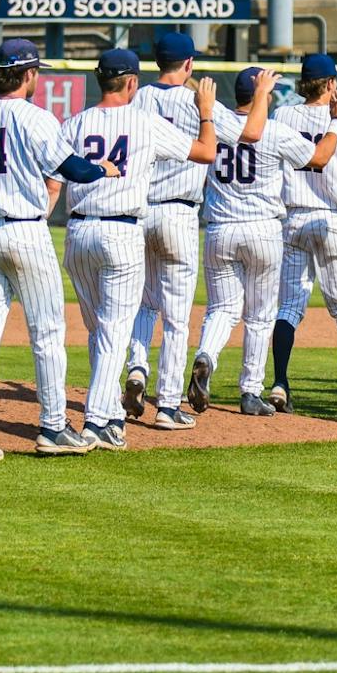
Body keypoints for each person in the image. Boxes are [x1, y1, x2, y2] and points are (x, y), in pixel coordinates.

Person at [0, 38, 110, 459]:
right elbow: (75, 170)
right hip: (25, 233)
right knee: (47, 333)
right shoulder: (36, 118)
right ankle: (53, 428)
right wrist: (101, 168)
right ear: (30, 74)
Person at [55, 48, 218, 450]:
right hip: (121, 231)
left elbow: (53, 176)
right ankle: (96, 422)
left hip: (77, 232)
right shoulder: (145, 123)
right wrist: (207, 112)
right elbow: (206, 152)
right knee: (114, 332)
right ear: (131, 83)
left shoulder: (74, 123)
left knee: (98, 333)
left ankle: (110, 414)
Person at [124, 32, 260, 422]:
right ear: (189, 65)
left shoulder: (140, 97)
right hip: (179, 214)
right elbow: (249, 134)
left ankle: (137, 368)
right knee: (177, 316)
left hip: (139, 211)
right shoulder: (198, 100)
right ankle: (167, 404)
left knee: (143, 304)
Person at [191, 68, 337, 416]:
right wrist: (335, 123)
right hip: (263, 230)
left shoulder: (218, 125)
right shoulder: (274, 131)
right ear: (264, 95)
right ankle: (249, 392)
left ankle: (206, 356)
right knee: (259, 316)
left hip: (220, 229)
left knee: (221, 310)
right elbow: (319, 158)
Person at [272, 53, 337, 413]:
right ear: (331, 84)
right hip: (331, 219)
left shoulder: (282, 114)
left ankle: (280, 382)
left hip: (293, 218)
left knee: (288, 305)